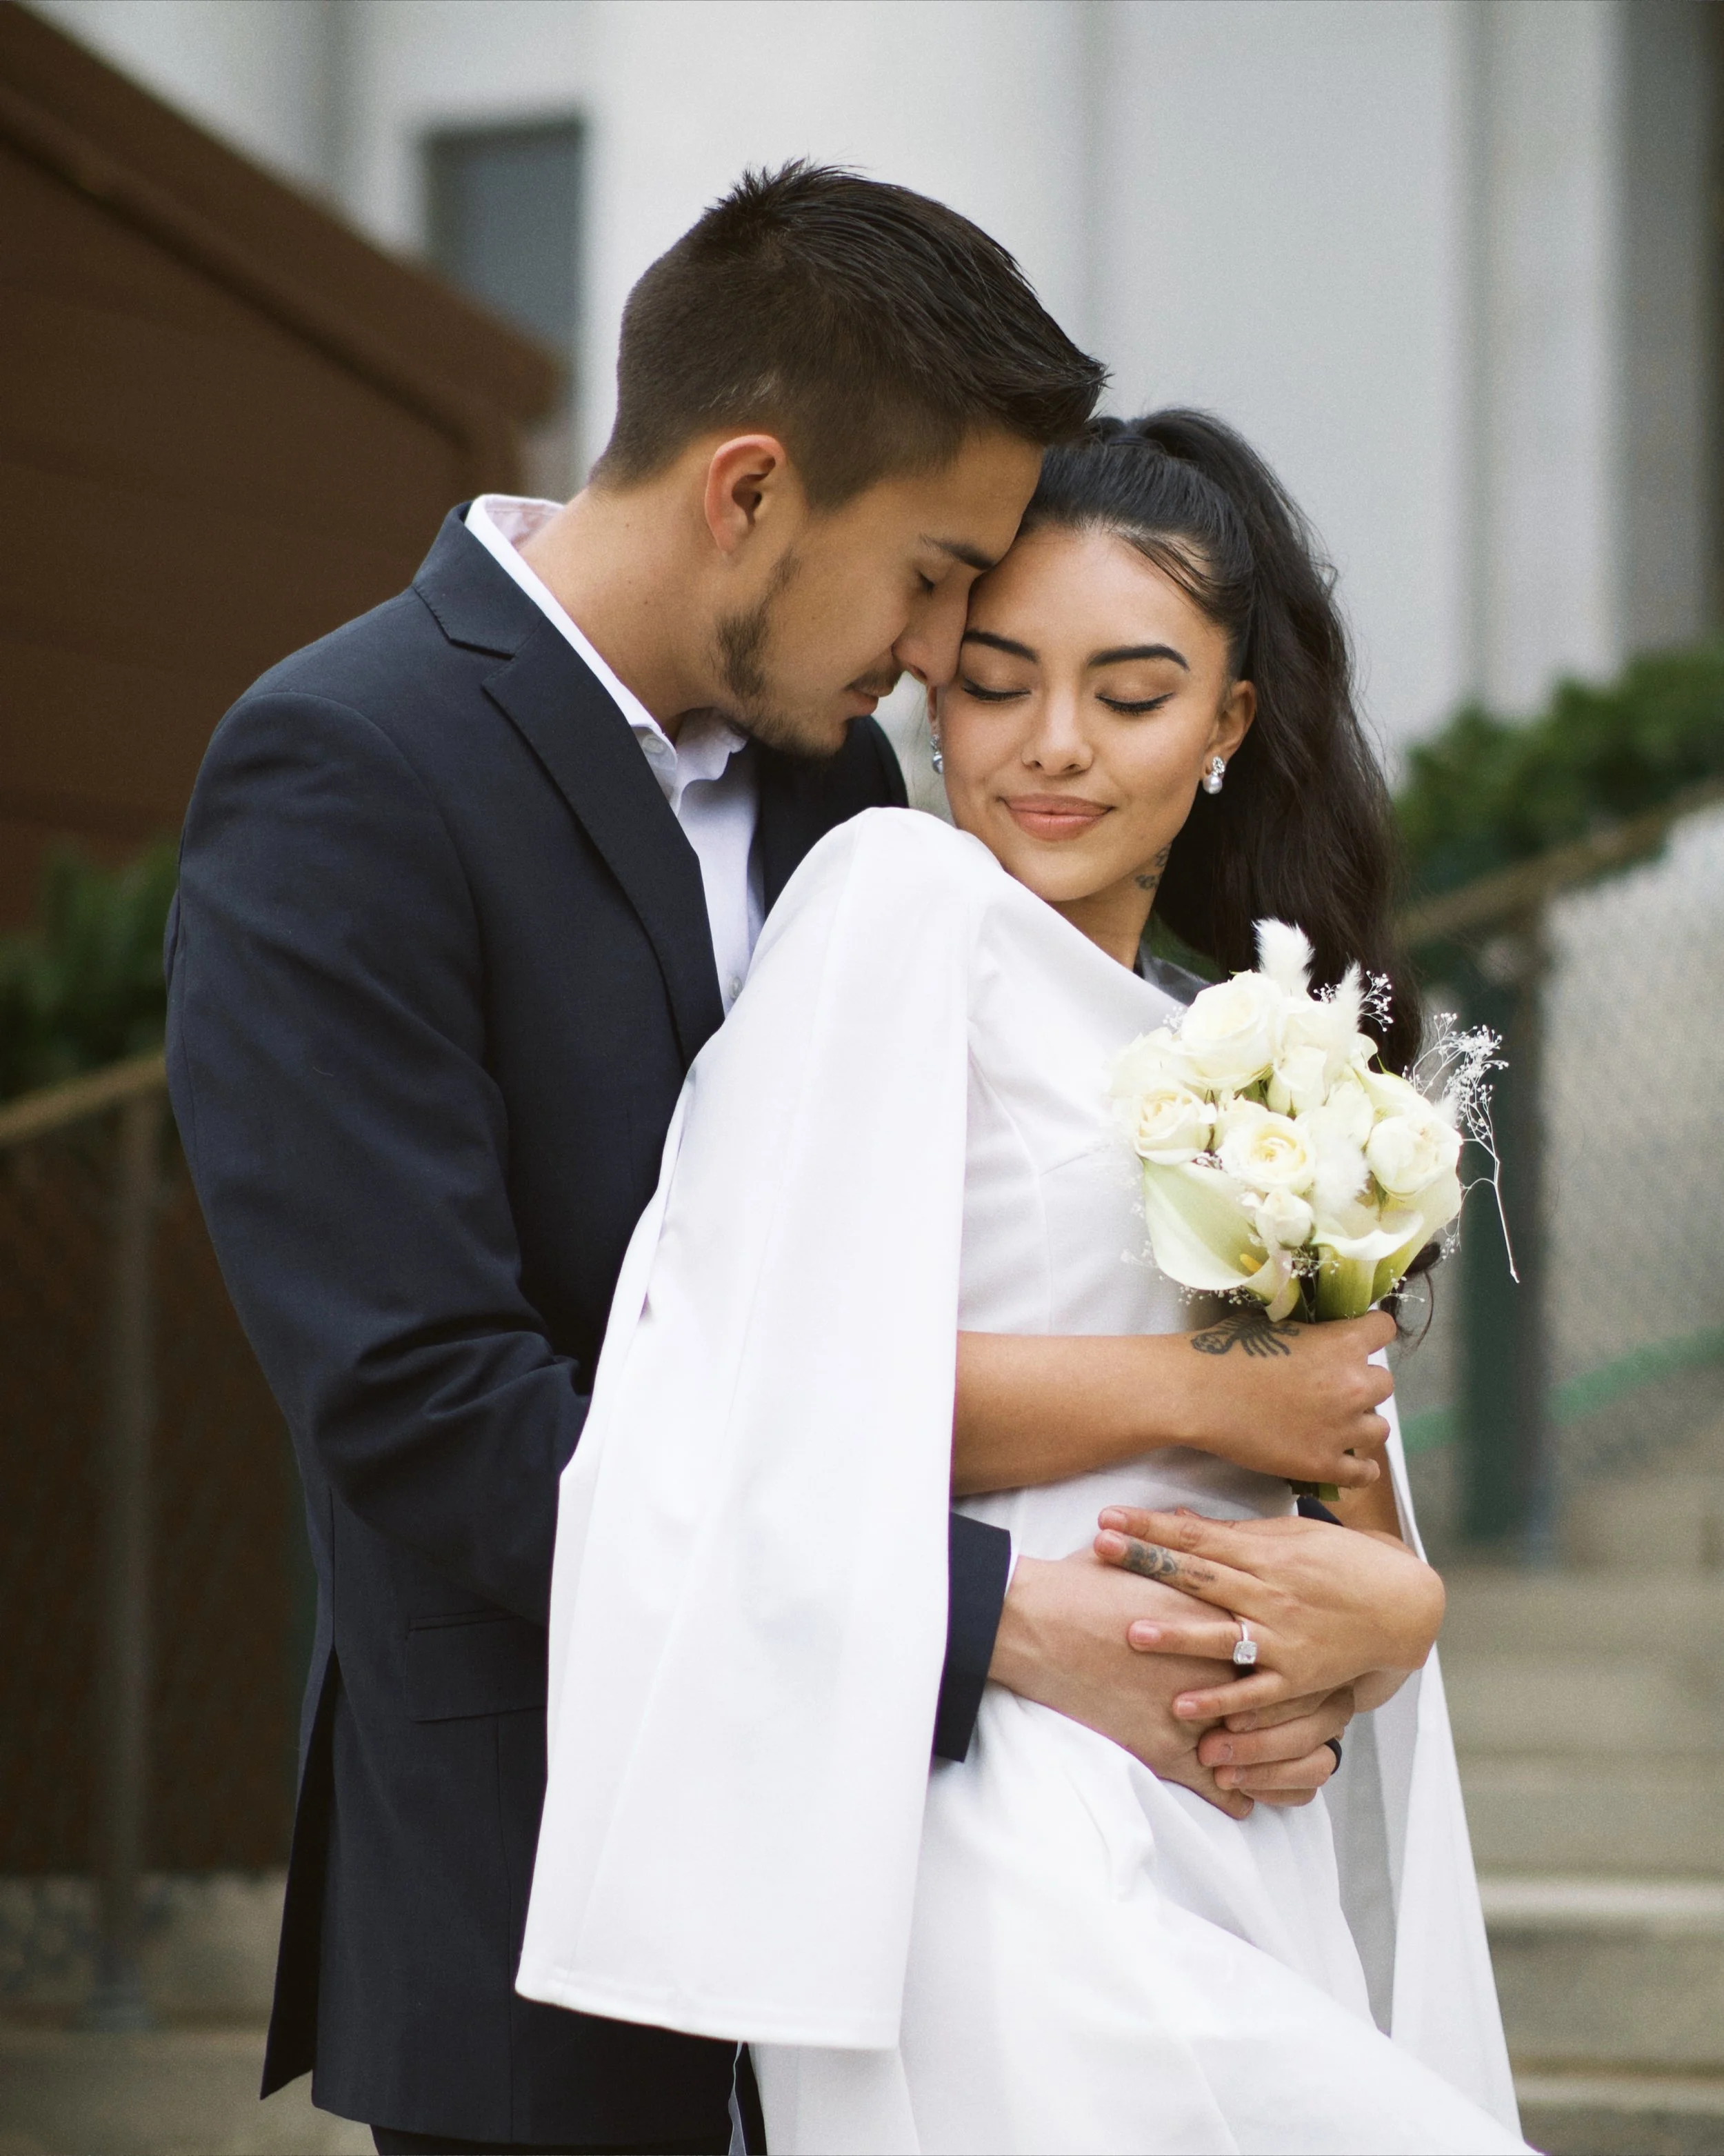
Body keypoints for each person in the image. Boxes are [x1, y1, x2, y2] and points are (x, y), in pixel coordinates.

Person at [168, 163, 1447, 2155]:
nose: (951, 649)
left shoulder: (836, 768)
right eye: (940, 574)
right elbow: (434, 1409)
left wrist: (1369, 1600)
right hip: (557, 1898)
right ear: (748, 490)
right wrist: (993, 1629)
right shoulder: (347, 765)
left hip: (958, 1887)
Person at [519, 413, 1527, 2154]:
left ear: (1225, 725)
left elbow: (1329, 1465)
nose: (1051, 749)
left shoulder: (1253, 1047)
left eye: (1129, 698)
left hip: (1236, 1814)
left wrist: (1392, 1612)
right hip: (1003, 1815)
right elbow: (761, 1387)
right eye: (993, 685)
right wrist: (1206, 1395)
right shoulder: (895, 903)